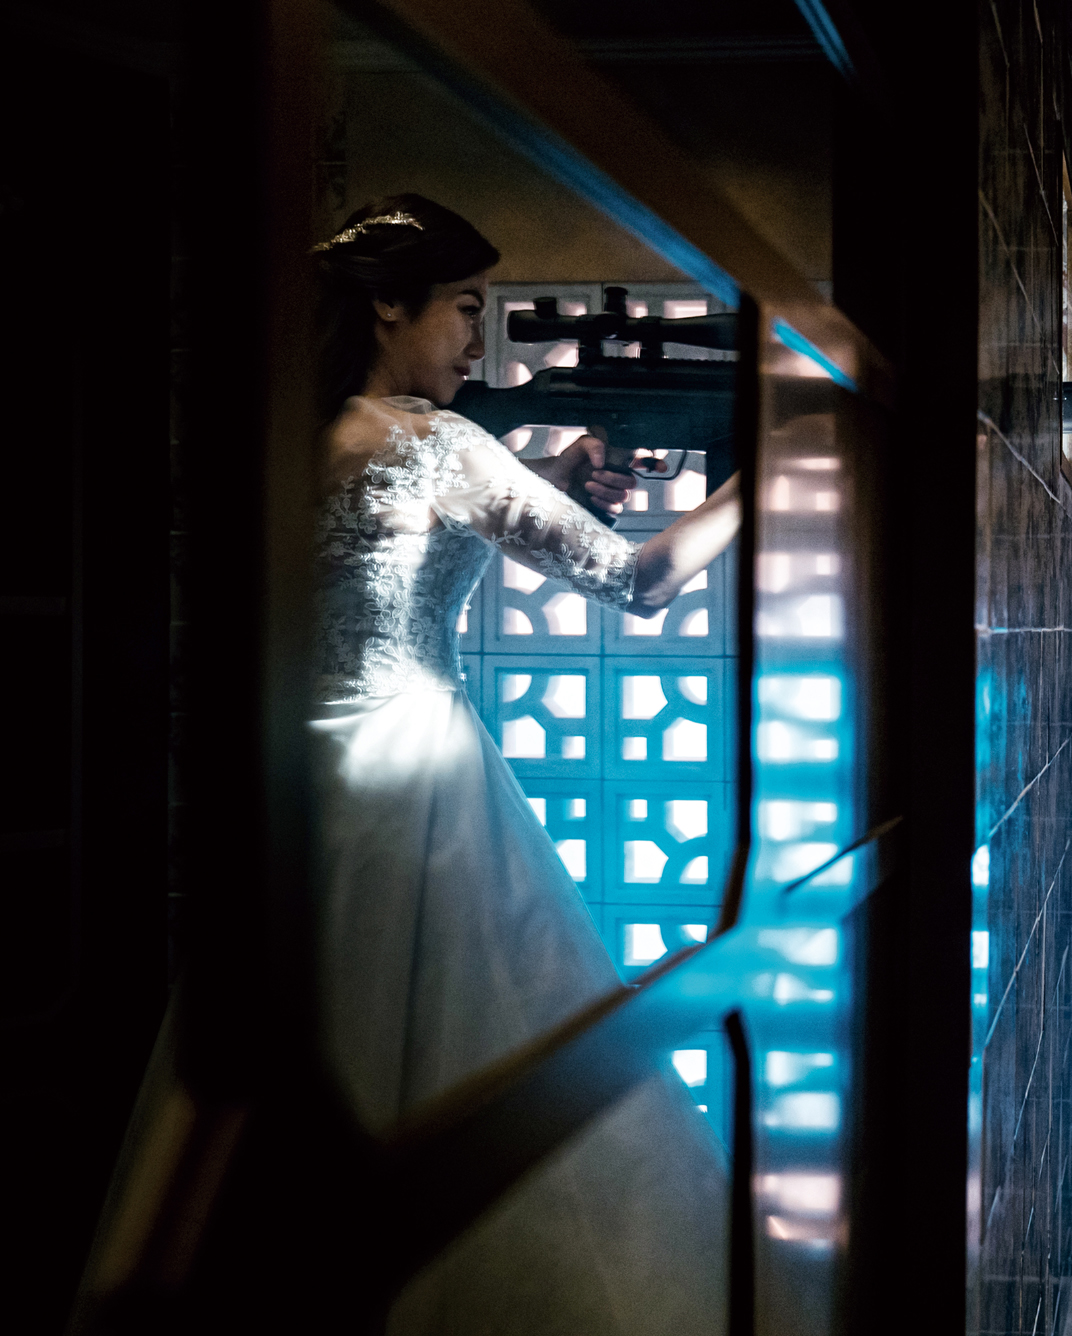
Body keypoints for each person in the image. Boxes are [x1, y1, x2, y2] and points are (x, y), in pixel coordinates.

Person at [311, 195, 739, 1333]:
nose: (476, 339)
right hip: (422, 787)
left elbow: (396, 533)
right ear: (388, 305)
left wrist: (544, 466)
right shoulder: (439, 445)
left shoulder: (295, 436)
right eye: (463, 308)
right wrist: (775, 472)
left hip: (301, 794)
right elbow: (640, 582)